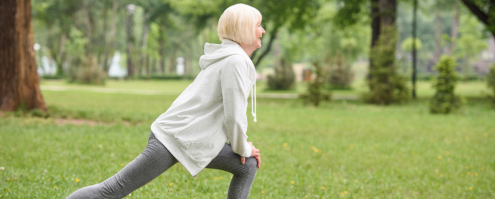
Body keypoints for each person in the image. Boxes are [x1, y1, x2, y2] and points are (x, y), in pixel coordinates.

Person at [66, 3, 265, 199]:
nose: (262, 31)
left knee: (247, 165)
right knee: (112, 190)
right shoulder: (235, 61)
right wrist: (243, 148)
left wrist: (242, 148)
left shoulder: (228, 58)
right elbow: (234, 115)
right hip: (173, 139)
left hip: (192, 138)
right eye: (258, 25)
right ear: (244, 29)